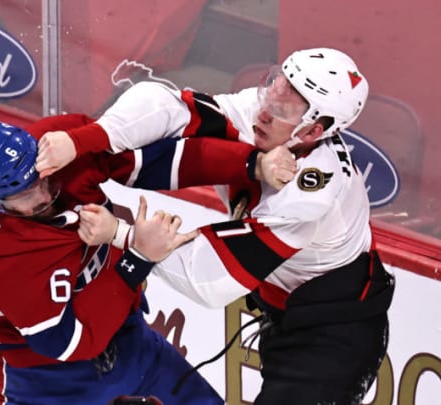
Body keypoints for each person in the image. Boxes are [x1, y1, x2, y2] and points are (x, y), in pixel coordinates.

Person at [35, 48, 396, 405]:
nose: (265, 111)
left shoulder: (313, 196)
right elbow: (164, 104)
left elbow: (212, 277)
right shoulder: (262, 114)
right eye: (273, 86)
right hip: (289, 310)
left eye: (284, 107)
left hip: (334, 333)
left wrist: (123, 235)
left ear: (313, 130)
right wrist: (84, 140)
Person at [0, 115, 290, 404]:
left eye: (42, 178)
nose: (45, 193)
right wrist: (137, 257)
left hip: (130, 339)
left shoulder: (56, 150)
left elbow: (153, 161)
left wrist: (250, 165)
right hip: (46, 380)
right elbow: (64, 342)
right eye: (26, 194)